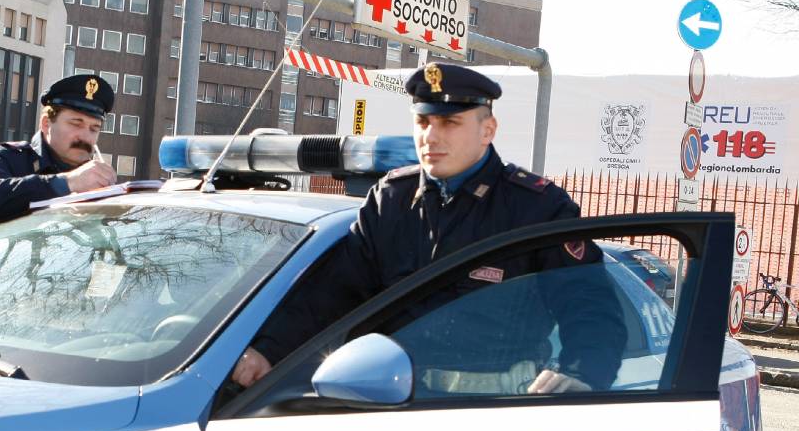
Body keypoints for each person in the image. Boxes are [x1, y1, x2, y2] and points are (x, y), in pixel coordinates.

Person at [232, 62, 626, 393]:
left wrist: (581, 375)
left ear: (487, 130)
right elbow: (330, 292)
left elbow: (591, 311)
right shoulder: (391, 200)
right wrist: (269, 349)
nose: (430, 137)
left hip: (493, 409)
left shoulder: (536, 208)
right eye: (423, 121)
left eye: (450, 123)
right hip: (390, 398)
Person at [0, 74, 118, 226]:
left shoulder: (98, 180)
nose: (86, 137)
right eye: (76, 123)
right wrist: (68, 182)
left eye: (94, 128)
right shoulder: (9, 158)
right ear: (46, 124)